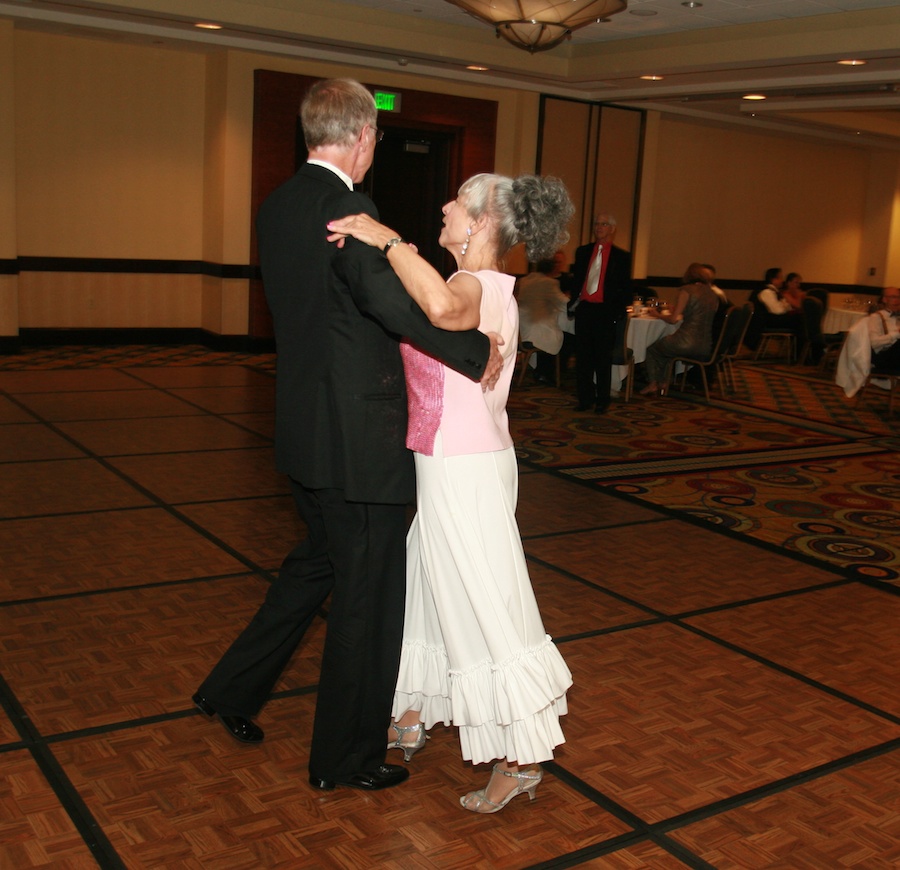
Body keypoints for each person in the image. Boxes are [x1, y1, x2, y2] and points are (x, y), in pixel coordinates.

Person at [192, 78, 501, 794]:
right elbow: (393, 305)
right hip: (357, 440)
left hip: (303, 428)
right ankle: (344, 757)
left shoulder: (279, 202)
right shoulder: (349, 207)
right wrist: (477, 351)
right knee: (367, 596)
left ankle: (231, 688)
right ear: (364, 138)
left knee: (317, 564)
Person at [326, 172, 574, 814]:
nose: (443, 207)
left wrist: (384, 239)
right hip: (456, 464)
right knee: (434, 594)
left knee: (483, 605)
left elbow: (438, 309)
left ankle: (520, 759)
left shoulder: (470, 285)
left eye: (456, 203)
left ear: (479, 224)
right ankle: (412, 713)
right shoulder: (487, 284)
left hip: (463, 470)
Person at [569, 213, 633, 413]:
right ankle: (585, 399)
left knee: (602, 358)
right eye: (596, 224)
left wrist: (617, 310)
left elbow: (625, 286)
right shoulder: (582, 252)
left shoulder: (621, 256)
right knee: (583, 357)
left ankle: (602, 400)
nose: (599, 227)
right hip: (585, 308)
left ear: (612, 229)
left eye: (604, 224)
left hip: (605, 311)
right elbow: (577, 279)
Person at [640, 262, 720, 396]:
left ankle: (654, 383)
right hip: (706, 345)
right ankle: (664, 383)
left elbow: (672, 320)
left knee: (652, 349)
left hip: (685, 341)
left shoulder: (686, 290)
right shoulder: (713, 294)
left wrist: (657, 315)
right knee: (665, 348)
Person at [516, 252, 570, 384]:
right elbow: (564, 304)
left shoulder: (524, 280)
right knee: (567, 337)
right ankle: (549, 371)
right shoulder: (549, 283)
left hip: (521, 330)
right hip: (538, 329)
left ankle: (543, 369)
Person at [868, 286, 900, 368]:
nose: (897, 300)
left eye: (899, 297)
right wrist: (896, 334)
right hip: (882, 356)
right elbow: (874, 343)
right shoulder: (876, 317)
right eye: (893, 297)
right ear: (884, 299)